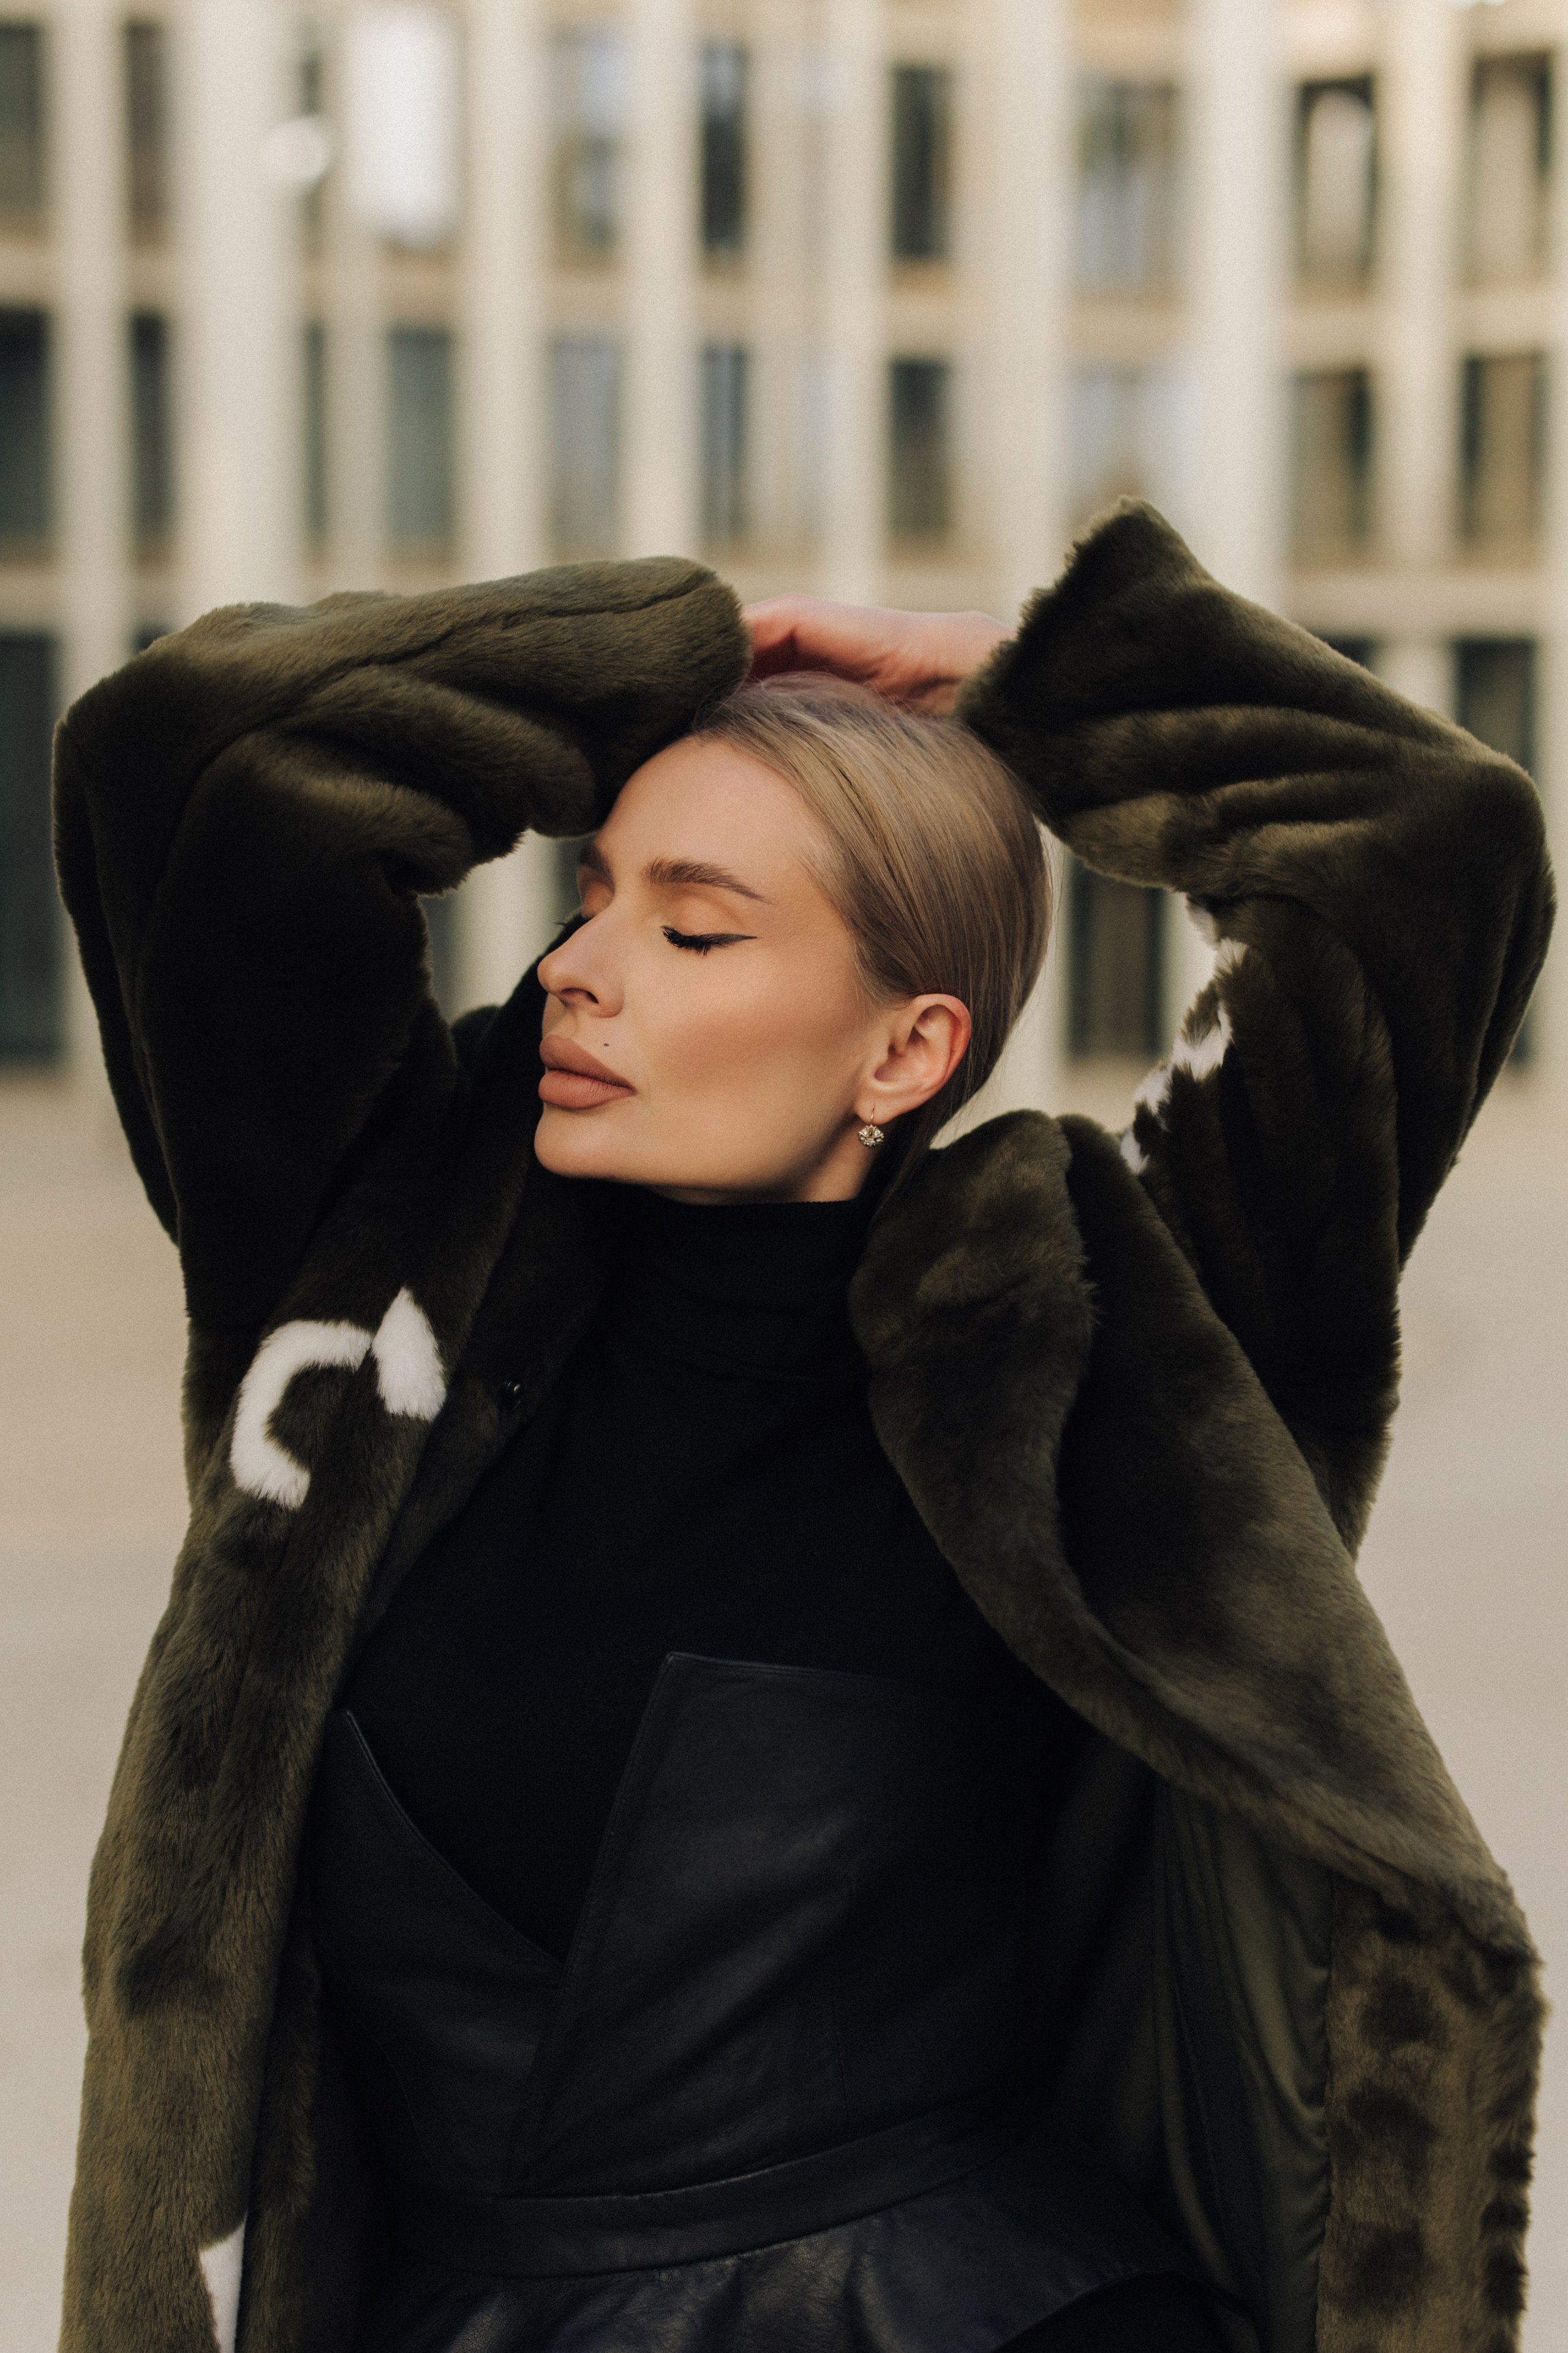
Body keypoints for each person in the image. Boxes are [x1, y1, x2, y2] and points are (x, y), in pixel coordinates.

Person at [52, 503, 1550, 2353]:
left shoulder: (1099, 1336)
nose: (585, 966)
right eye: (594, 895)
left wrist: (1022, 680)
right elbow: (194, 766)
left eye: (693, 926)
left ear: (907, 1052)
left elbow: (1428, 842)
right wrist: (664, 660)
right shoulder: (385, 1266)